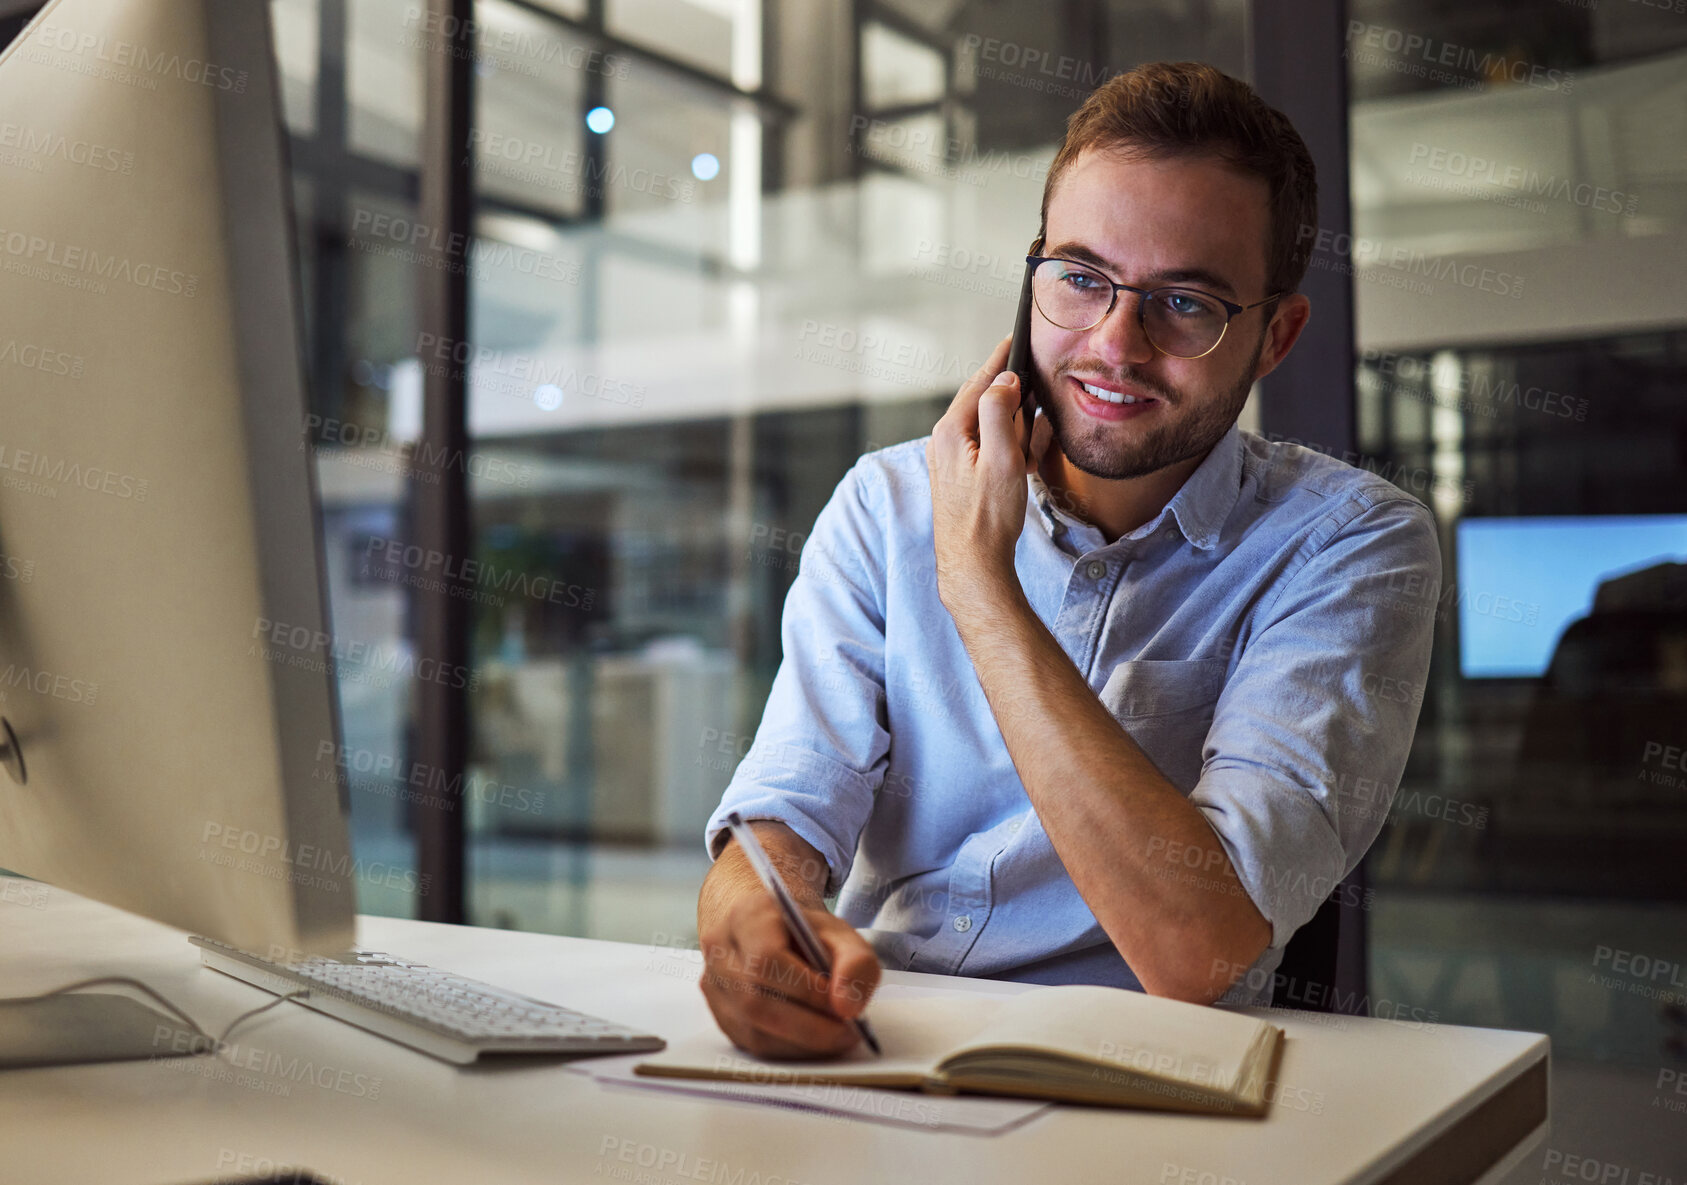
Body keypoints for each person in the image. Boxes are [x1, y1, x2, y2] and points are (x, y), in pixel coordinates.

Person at [696, 60, 1440, 1059]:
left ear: (1275, 337)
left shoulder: (1351, 544)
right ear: (1032, 278)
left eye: (1186, 303)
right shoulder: (886, 503)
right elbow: (788, 803)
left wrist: (977, 584)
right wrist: (753, 921)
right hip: (885, 1046)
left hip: (1145, 1087)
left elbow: (1196, 950)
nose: (1114, 345)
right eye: (1081, 279)